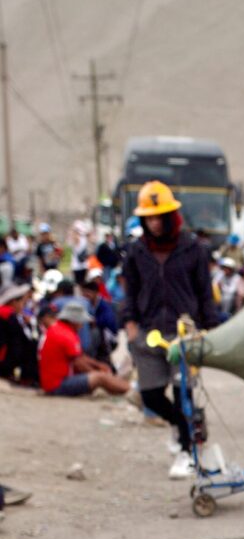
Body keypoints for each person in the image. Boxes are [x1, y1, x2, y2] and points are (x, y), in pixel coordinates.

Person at [121, 180, 218, 479]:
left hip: (184, 333)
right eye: (148, 218)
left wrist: (209, 328)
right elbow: (130, 292)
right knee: (150, 397)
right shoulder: (136, 252)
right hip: (148, 332)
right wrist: (130, 326)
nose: (153, 223)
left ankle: (188, 452)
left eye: (158, 216)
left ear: (170, 216)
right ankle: (182, 427)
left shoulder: (193, 249)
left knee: (183, 394)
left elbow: (204, 292)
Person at [38, 302, 130, 397]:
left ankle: (124, 387)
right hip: (58, 384)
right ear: (74, 321)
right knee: (100, 378)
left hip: (53, 383)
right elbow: (79, 363)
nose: (82, 326)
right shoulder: (65, 335)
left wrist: (98, 365)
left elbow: (79, 356)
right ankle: (131, 390)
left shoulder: (60, 329)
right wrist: (98, 373)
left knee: (101, 375)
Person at [0, 284, 38, 386]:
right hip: (5, 358)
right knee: (32, 346)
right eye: (21, 302)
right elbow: (18, 341)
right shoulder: (8, 315)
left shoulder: (7, 313)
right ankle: (26, 379)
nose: (23, 306)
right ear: (13, 302)